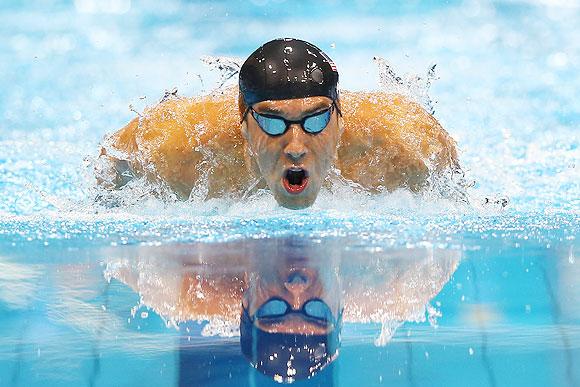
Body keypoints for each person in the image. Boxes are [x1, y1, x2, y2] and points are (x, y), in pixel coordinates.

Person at [96, 38, 459, 209]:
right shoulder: (180, 150)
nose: (297, 146)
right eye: (273, 123)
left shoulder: (402, 145)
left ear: (339, 115)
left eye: (316, 120)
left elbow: (455, 186)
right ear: (244, 119)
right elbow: (113, 157)